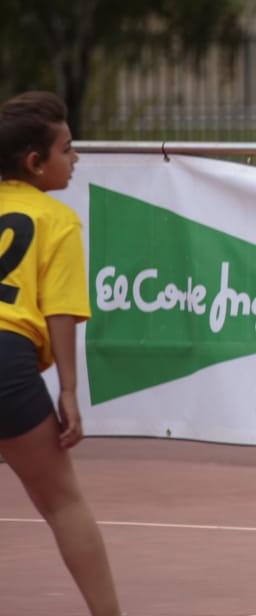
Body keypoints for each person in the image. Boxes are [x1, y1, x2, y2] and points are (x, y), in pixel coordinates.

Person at [0, 92, 125, 616]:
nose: (75, 161)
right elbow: (61, 312)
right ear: (35, 162)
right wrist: (69, 392)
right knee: (62, 502)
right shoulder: (55, 219)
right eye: (67, 150)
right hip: (8, 358)